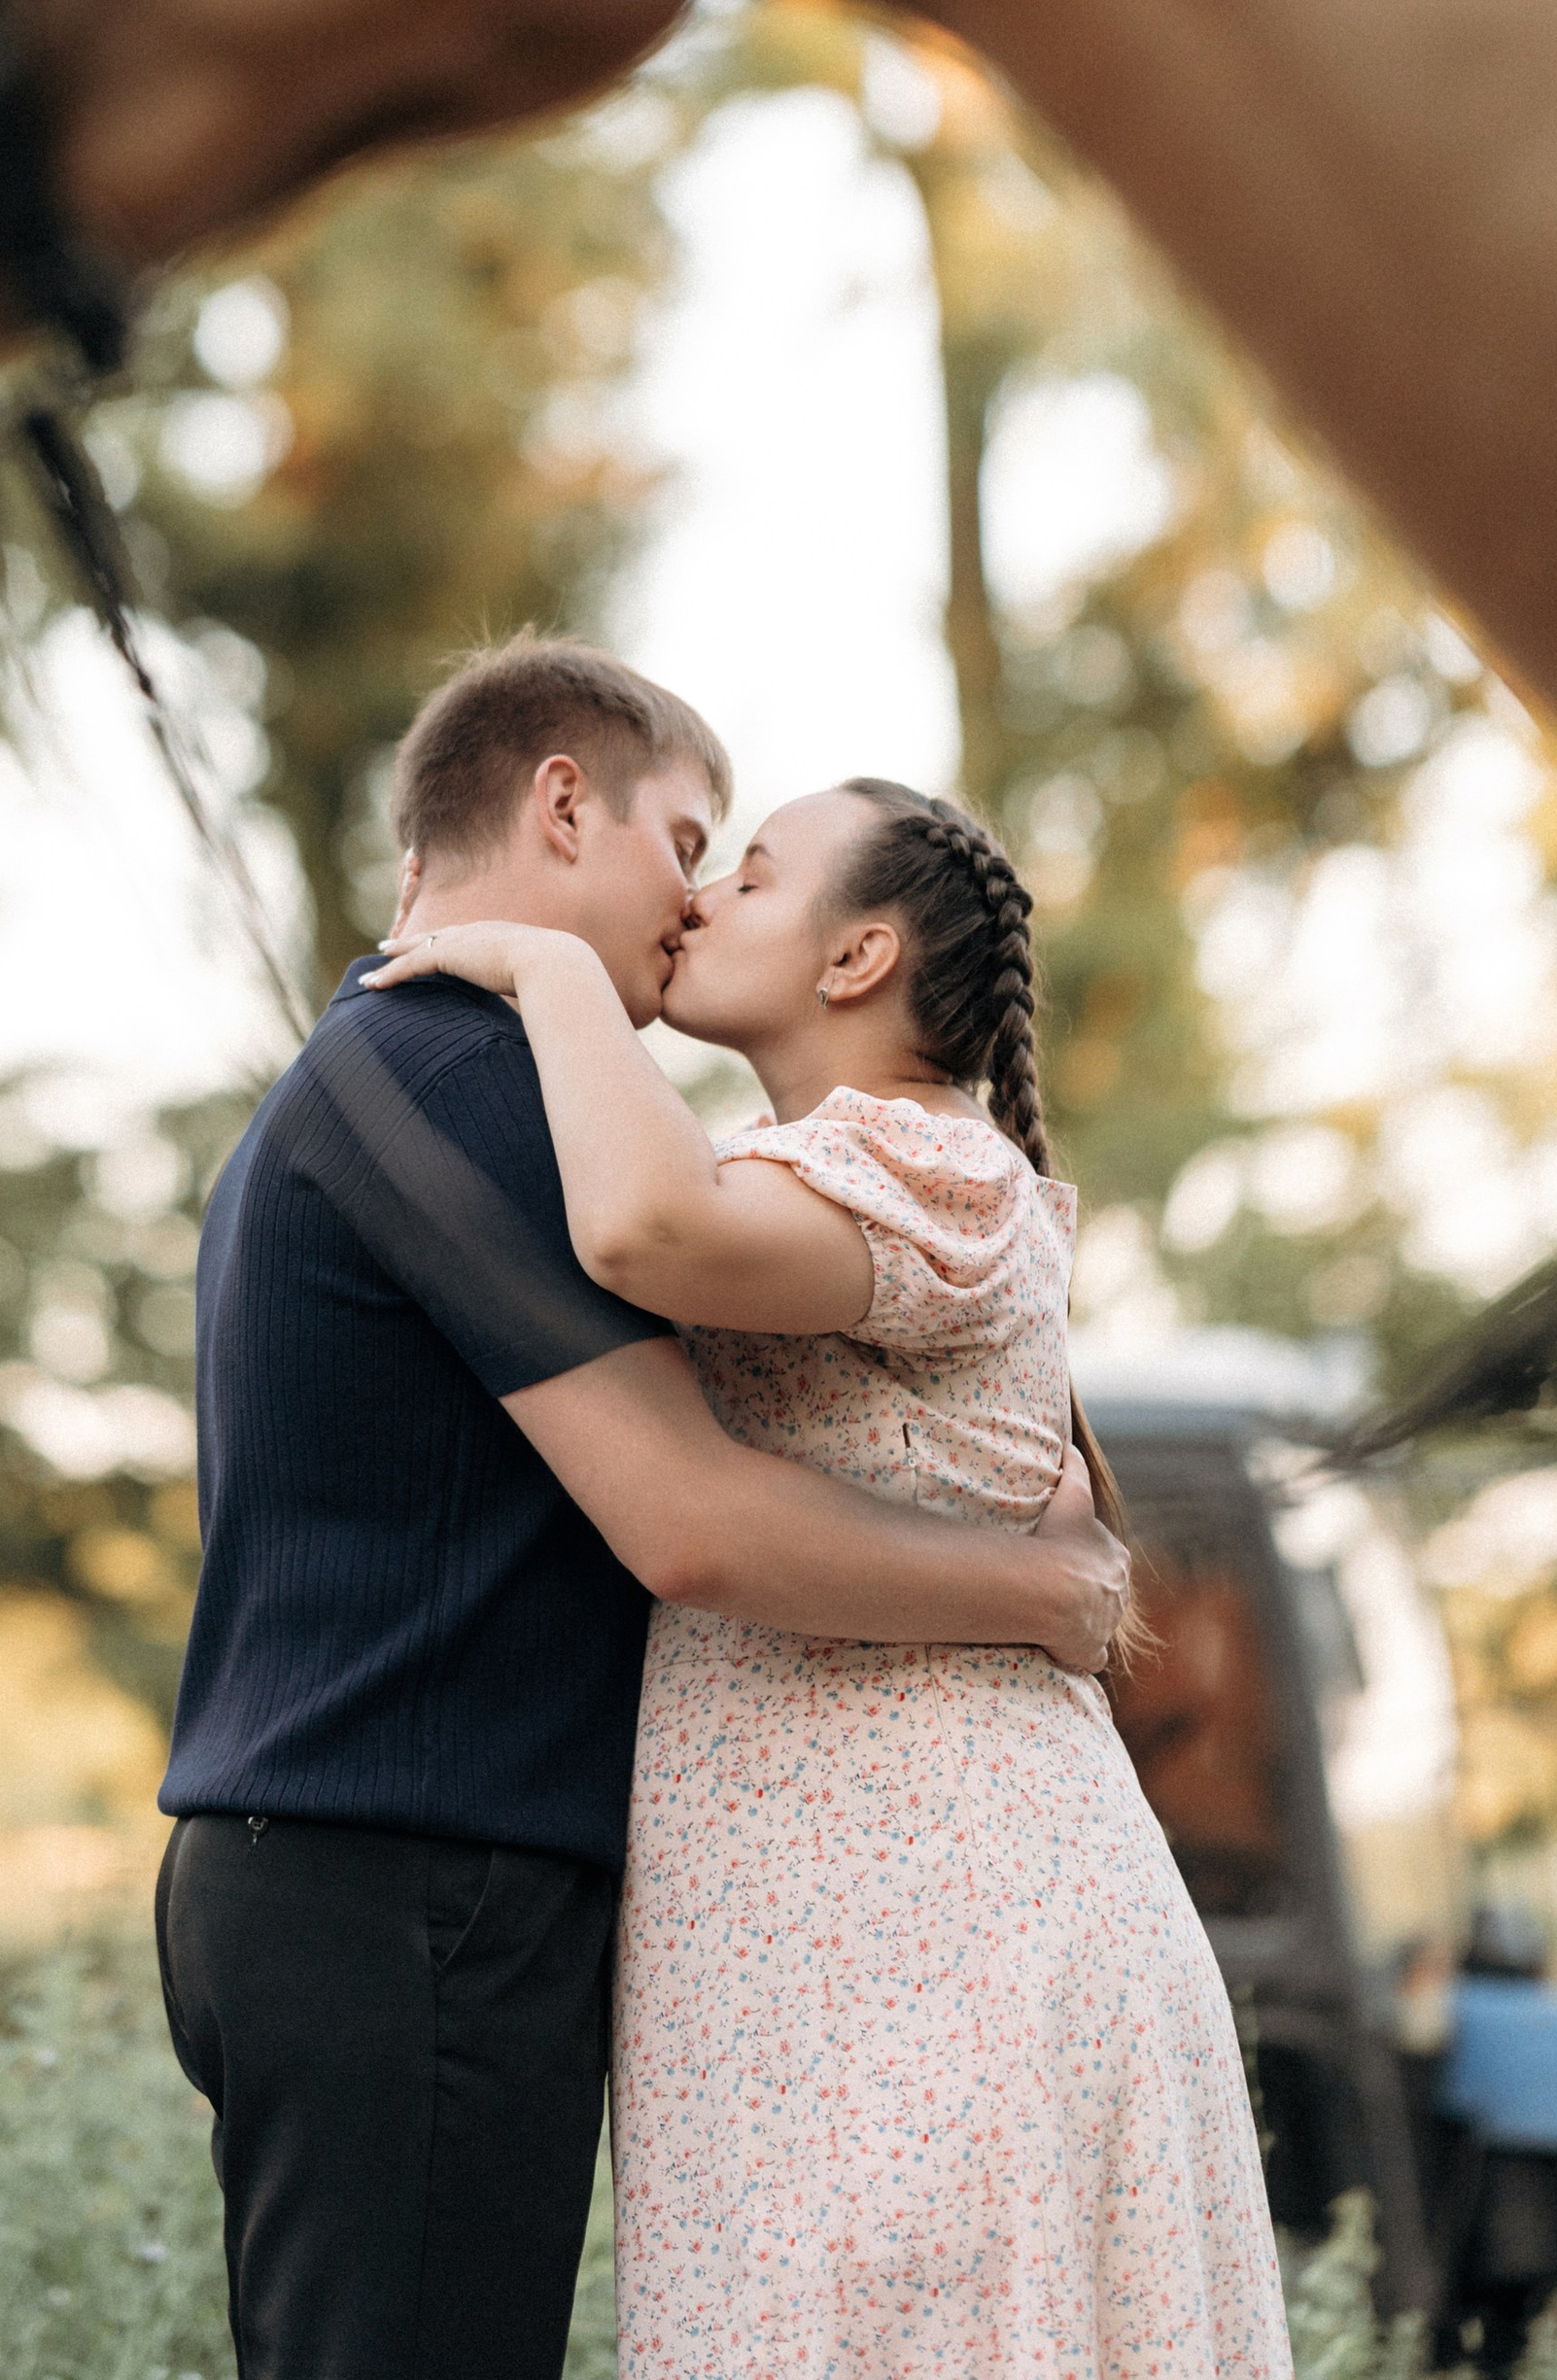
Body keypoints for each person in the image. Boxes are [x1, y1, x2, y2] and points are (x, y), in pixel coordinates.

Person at [156, 643, 1132, 2380]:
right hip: (411, 1886)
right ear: (558, 806)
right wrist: (1037, 1591)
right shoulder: (456, 1077)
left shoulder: (436, 1075)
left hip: (370, 1872)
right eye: (690, 838)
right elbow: (688, 1518)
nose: (693, 898)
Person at [373, 776, 1292, 2378]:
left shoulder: (931, 1165)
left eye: (752, 875)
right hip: (812, 1951)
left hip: (944, 1939)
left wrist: (555, 971)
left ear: (856, 957)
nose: (703, 896)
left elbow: (652, 1232)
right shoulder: (806, 1165)